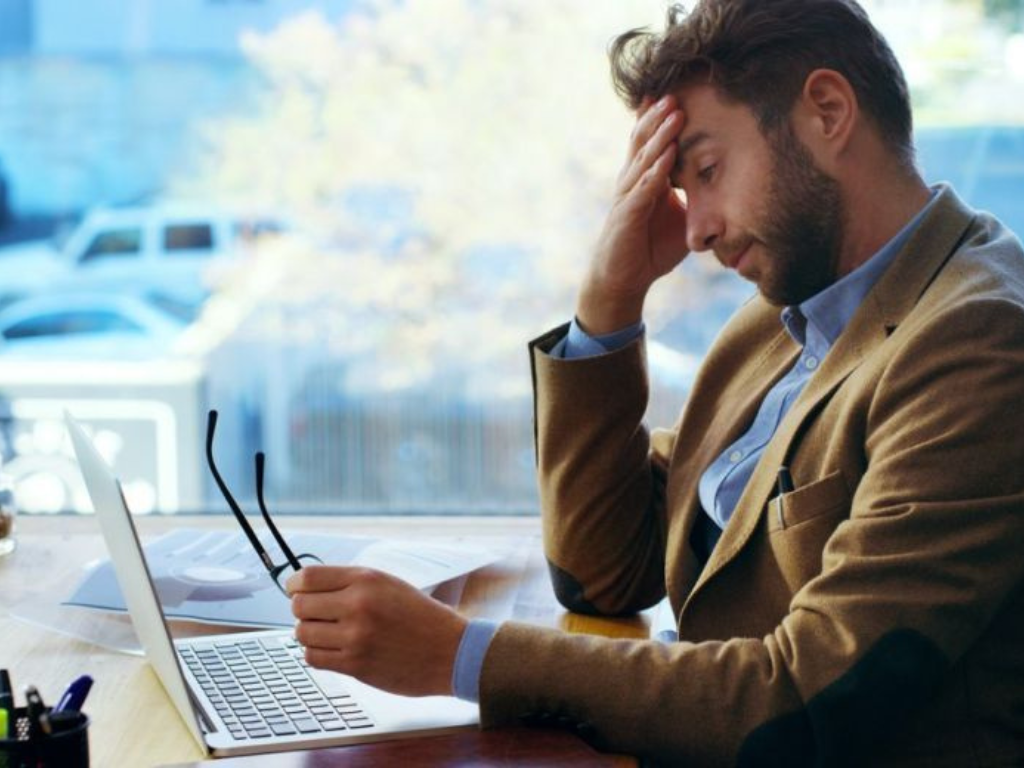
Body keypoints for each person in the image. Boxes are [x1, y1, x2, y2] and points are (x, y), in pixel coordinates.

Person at [287, 1, 1024, 764]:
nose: (697, 230)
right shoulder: (780, 323)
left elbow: (804, 696)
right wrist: (609, 302)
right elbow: (604, 574)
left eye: (707, 171)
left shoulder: (980, 343)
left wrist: (460, 657)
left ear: (828, 112)